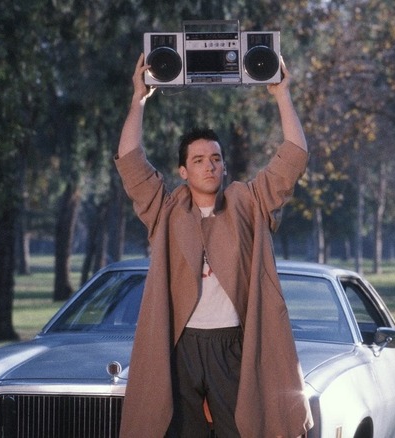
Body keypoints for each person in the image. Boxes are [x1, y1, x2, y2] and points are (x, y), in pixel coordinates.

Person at [115, 53, 313, 438]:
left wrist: (281, 95)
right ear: (183, 171)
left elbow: (293, 158)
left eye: (216, 159)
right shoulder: (167, 209)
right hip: (182, 344)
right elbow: (130, 163)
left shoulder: (247, 203)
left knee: (240, 429)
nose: (209, 166)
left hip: (234, 344)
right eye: (199, 160)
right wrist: (138, 99)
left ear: (224, 167)